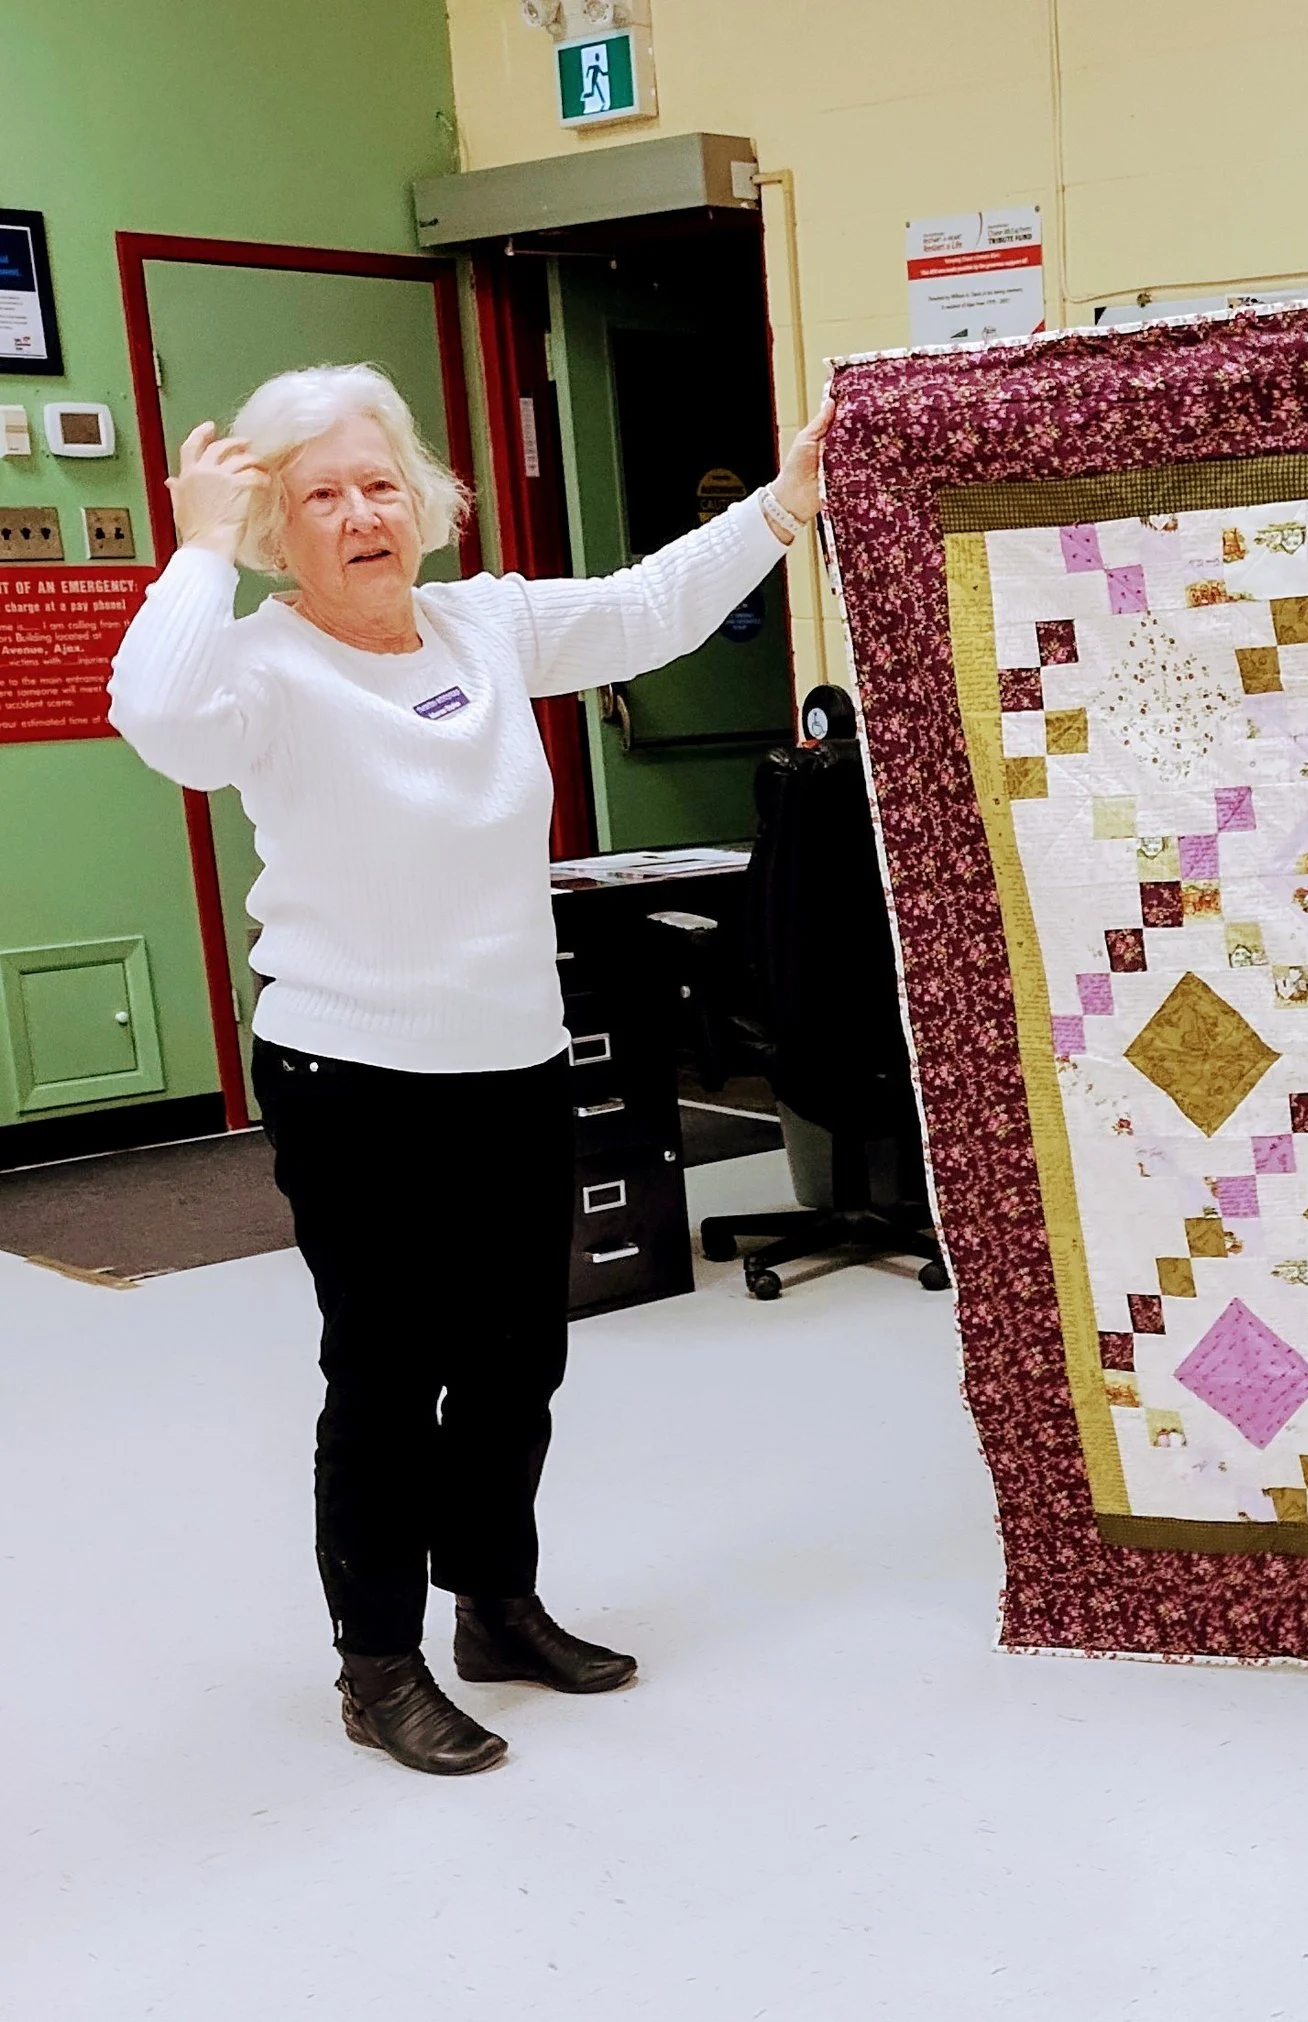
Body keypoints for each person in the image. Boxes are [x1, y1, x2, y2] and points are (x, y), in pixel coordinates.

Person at [110, 363, 832, 1775]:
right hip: (351, 1073)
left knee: (517, 1358)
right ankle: (377, 1660)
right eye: (317, 494)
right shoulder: (259, 666)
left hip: (509, 1059)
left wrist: (784, 505)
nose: (359, 513)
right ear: (277, 525)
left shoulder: (482, 625)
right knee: (386, 1374)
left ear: (426, 498)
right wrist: (197, 547)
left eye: (380, 481)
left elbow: (645, 607)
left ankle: (497, 1606)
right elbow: (154, 713)